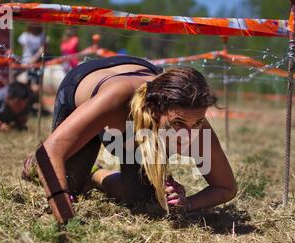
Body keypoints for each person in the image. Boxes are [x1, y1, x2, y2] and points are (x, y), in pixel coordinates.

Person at [22, 55, 237, 223]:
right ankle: (33, 164)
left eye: (197, 123)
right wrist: (63, 208)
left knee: (144, 201)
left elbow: (226, 187)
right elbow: (49, 153)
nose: (188, 136)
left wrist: (185, 204)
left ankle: (95, 174)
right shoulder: (117, 100)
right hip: (86, 84)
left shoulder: (191, 116)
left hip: (136, 96)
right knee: (67, 183)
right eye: (178, 124)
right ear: (154, 111)